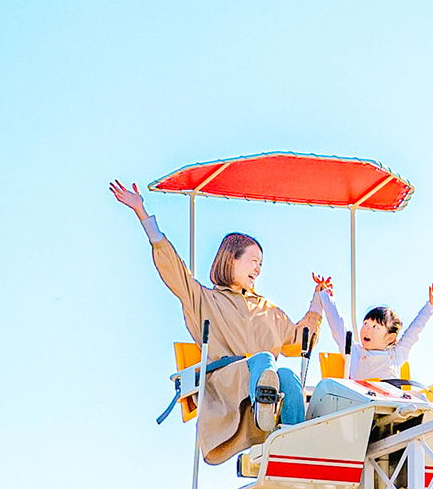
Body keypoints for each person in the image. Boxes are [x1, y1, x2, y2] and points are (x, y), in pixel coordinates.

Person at [110, 182, 327, 462]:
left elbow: (299, 341)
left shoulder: (268, 310)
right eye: (253, 260)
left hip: (266, 394)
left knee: (289, 377)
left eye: (261, 264)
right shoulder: (205, 300)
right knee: (263, 360)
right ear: (231, 260)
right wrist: (143, 214)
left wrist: (317, 302)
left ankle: (294, 449)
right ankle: (263, 403)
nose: (258, 268)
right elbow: (174, 271)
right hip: (227, 392)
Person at [312, 279, 433, 380]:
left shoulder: (397, 354)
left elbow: (414, 332)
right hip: (365, 406)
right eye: (366, 324)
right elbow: (337, 325)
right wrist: (326, 295)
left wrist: (431, 306)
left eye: (375, 327)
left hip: (391, 405)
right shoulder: (355, 353)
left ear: (390, 337)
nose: (367, 329)